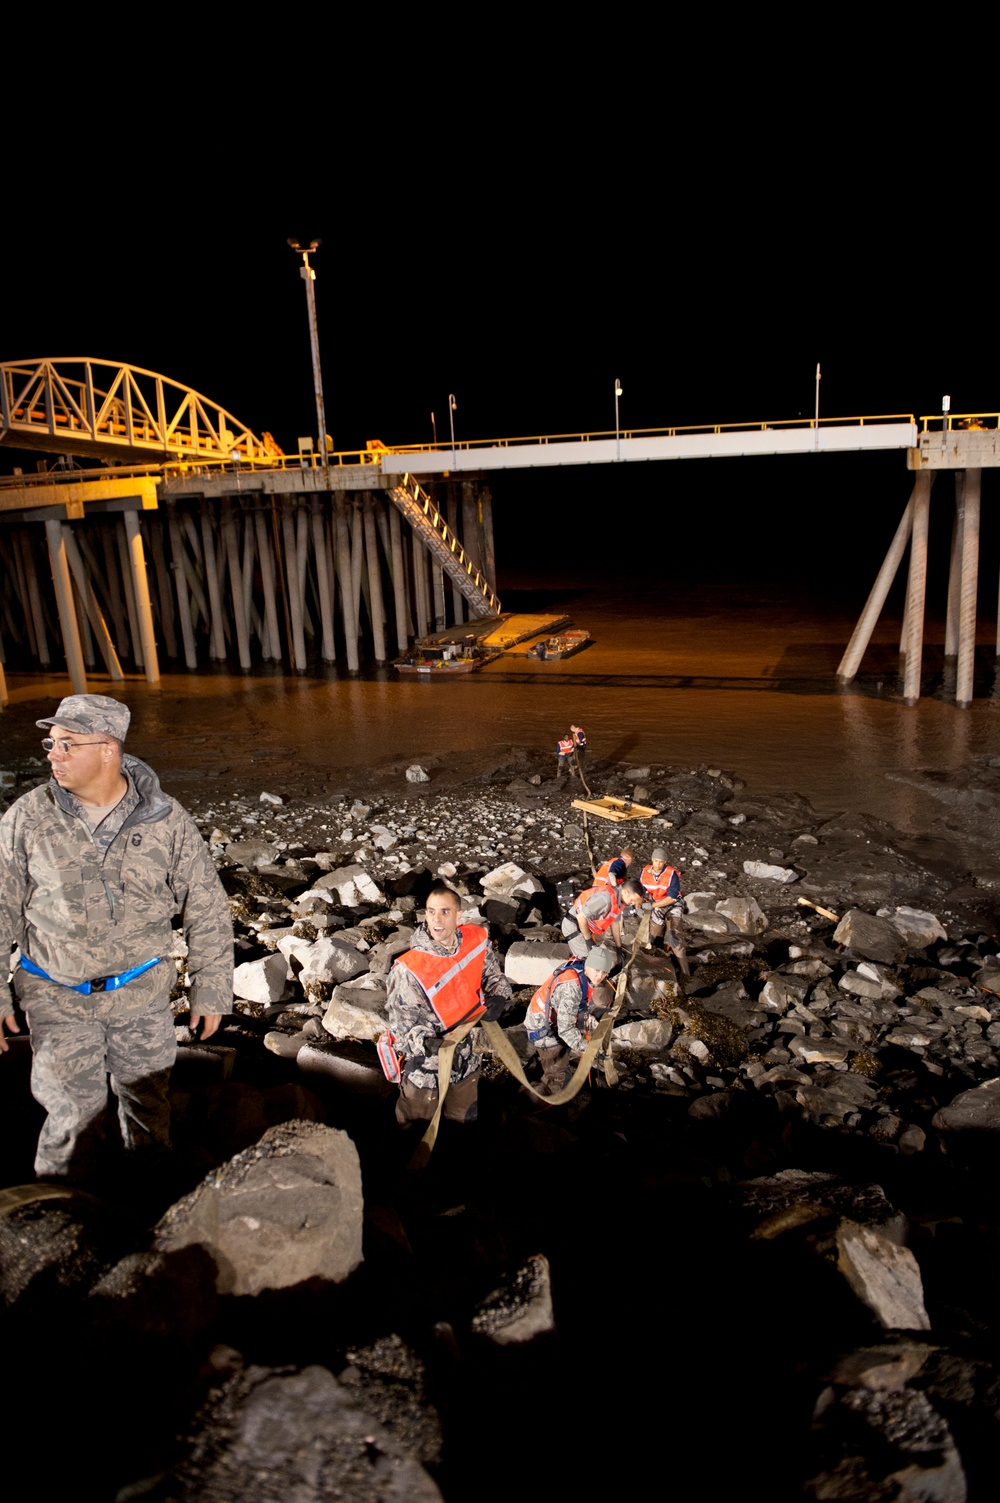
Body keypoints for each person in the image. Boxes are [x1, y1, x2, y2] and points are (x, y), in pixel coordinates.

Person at [0, 694, 233, 1187]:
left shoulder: (166, 820)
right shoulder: (28, 818)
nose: (52, 754)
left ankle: (146, 1201)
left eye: (67, 744)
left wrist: (211, 989)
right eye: (51, 742)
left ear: (108, 749)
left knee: (148, 1106)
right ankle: (64, 1213)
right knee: (72, 1116)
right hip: (56, 994)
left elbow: (206, 905)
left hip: (142, 995)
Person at [382, 881, 511, 1125]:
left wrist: (498, 995)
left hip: (466, 1051)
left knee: (463, 1117)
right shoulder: (410, 968)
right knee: (417, 1124)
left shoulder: (474, 939)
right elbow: (402, 1025)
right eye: (431, 911)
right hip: (427, 1065)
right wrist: (427, 1043)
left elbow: (491, 974)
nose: (436, 920)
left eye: (444, 911)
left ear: (459, 915)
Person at [525, 945, 616, 1095]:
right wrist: (589, 1049)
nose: (600, 976)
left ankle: (541, 1069)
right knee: (556, 1076)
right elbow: (565, 1030)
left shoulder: (581, 970)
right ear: (589, 965)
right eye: (597, 970)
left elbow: (575, 1008)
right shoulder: (571, 987)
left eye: (604, 972)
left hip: (547, 1019)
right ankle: (542, 1104)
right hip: (543, 1028)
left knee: (555, 1059)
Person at [640, 846, 689, 975]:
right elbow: (642, 891)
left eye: (661, 861)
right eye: (656, 861)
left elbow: (672, 898)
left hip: (672, 905)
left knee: (674, 937)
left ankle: (686, 973)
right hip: (656, 904)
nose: (658, 864)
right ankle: (658, 966)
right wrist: (641, 905)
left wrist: (652, 906)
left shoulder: (672, 874)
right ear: (652, 860)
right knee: (654, 936)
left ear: (665, 862)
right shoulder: (645, 872)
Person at [569, 876, 644, 957]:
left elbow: (615, 924)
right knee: (588, 959)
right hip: (574, 925)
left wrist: (618, 947)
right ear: (625, 892)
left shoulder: (619, 903)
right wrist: (588, 940)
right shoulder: (605, 899)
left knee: (595, 956)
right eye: (632, 900)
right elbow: (581, 917)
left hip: (586, 927)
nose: (632, 903)